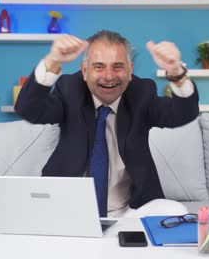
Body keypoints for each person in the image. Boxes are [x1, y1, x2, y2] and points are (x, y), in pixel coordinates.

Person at [15, 30, 199, 218]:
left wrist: (177, 72)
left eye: (118, 66)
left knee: (176, 211)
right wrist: (52, 61)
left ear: (130, 70)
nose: (109, 76)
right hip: (68, 206)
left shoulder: (141, 93)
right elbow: (28, 109)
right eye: (99, 67)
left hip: (129, 211)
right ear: (85, 71)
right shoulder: (70, 90)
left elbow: (182, 114)